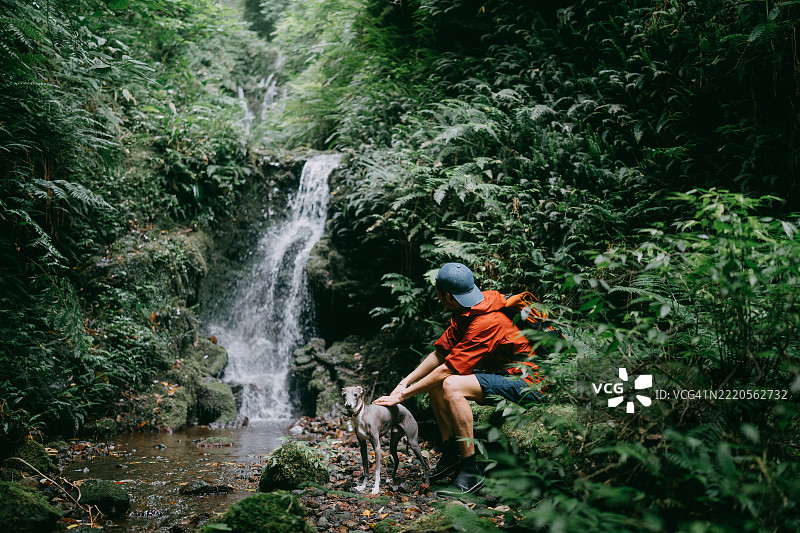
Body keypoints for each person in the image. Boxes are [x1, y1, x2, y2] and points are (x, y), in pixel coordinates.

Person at [373, 262, 545, 497]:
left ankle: (471, 469)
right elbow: (440, 354)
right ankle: (451, 451)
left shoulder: (486, 321)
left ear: (445, 296)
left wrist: (403, 395)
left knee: (451, 385)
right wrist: (405, 382)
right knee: (435, 386)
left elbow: (447, 371)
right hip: (505, 375)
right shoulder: (469, 310)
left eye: (440, 295)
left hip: (531, 384)